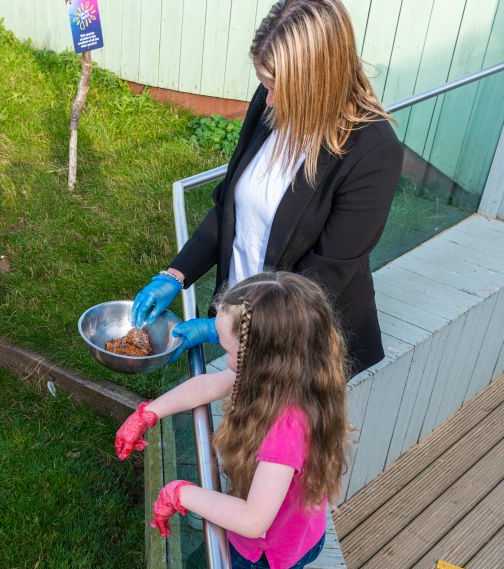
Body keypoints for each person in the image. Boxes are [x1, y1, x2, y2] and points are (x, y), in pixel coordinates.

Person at [131, 0, 403, 377]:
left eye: (278, 88)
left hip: (302, 347)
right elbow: (231, 207)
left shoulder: (373, 152)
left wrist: (231, 327)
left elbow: (321, 283)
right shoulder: (269, 103)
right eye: (265, 85)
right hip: (239, 323)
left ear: (318, 82)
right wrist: (174, 275)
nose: (268, 100)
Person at [115, 272, 350, 569]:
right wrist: (149, 412)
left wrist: (179, 492)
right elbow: (208, 385)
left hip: (269, 547)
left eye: (227, 352)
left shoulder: (286, 428)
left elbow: (253, 520)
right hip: (301, 531)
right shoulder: (293, 377)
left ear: (264, 358)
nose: (224, 362)